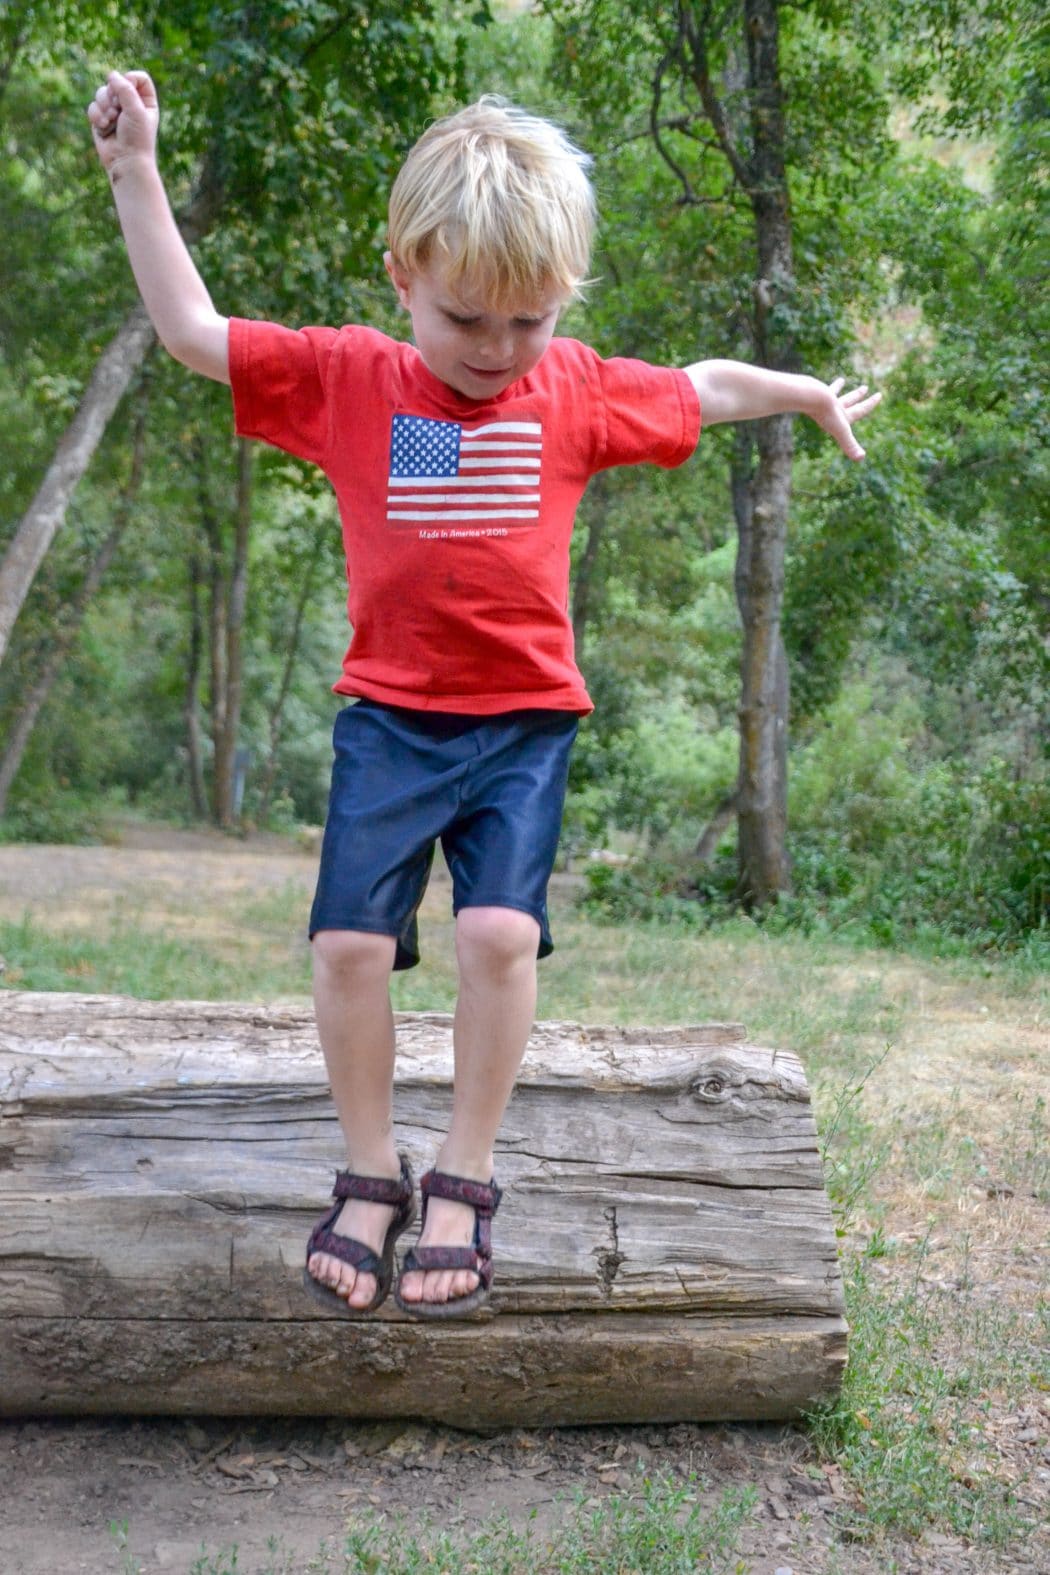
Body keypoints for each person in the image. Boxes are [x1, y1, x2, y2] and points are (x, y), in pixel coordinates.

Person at [88, 69, 880, 1322]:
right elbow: (194, 335)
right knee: (351, 944)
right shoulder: (348, 379)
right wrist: (136, 170)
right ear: (403, 271)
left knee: (497, 936)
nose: (497, 351)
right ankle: (367, 1171)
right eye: (467, 319)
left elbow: (705, 384)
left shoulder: (572, 391)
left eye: (530, 322)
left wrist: (804, 392)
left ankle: (465, 1171)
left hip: (521, 725)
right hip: (390, 720)